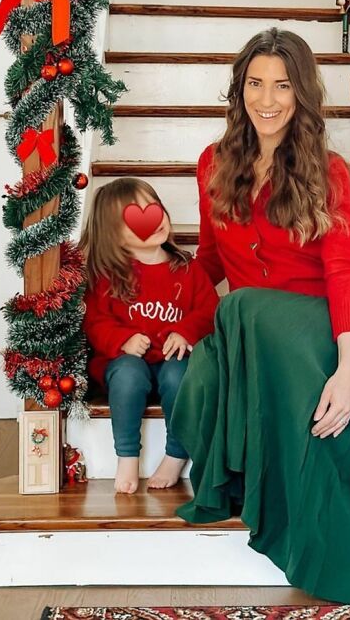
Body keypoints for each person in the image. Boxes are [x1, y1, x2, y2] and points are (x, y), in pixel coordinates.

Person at [170, 28, 350, 602]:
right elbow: (207, 261)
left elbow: (344, 272)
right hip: (253, 337)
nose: (267, 99)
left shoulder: (328, 171)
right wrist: (177, 327)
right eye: (255, 84)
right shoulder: (212, 164)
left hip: (319, 337)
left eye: (282, 85)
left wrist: (348, 371)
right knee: (211, 353)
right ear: (239, 90)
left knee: (244, 305)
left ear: (301, 94)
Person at [79, 178, 218, 494]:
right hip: (128, 362)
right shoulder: (108, 276)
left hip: (171, 360)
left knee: (181, 376)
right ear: (114, 233)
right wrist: (122, 340)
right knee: (128, 375)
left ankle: (176, 454)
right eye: (135, 215)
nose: (152, 219)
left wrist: (185, 332)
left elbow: (210, 310)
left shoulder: (187, 268)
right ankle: (126, 454)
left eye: (153, 209)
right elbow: (96, 321)